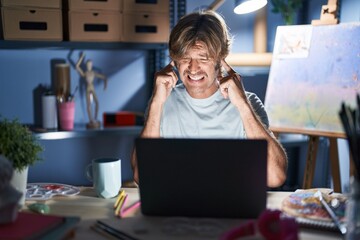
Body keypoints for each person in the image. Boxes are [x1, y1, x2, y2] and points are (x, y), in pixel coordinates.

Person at [131, 10, 287, 188]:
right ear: (174, 61)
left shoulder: (249, 104)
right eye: (185, 58)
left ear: (220, 60)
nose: (193, 68)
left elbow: (275, 177)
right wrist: (156, 104)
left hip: (232, 210)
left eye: (203, 58)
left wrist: (243, 106)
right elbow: (141, 176)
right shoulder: (161, 101)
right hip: (177, 210)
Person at [76, 52, 107, 129]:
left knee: (97, 103)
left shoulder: (93, 73)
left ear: (92, 65)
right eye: (88, 65)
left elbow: (104, 77)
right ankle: (91, 120)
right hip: (87, 89)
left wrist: (105, 85)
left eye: (90, 65)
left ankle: (95, 118)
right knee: (89, 105)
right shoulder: (85, 73)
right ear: (86, 65)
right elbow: (77, 66)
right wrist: (81, 58)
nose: (89, 66)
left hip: (92, 88)